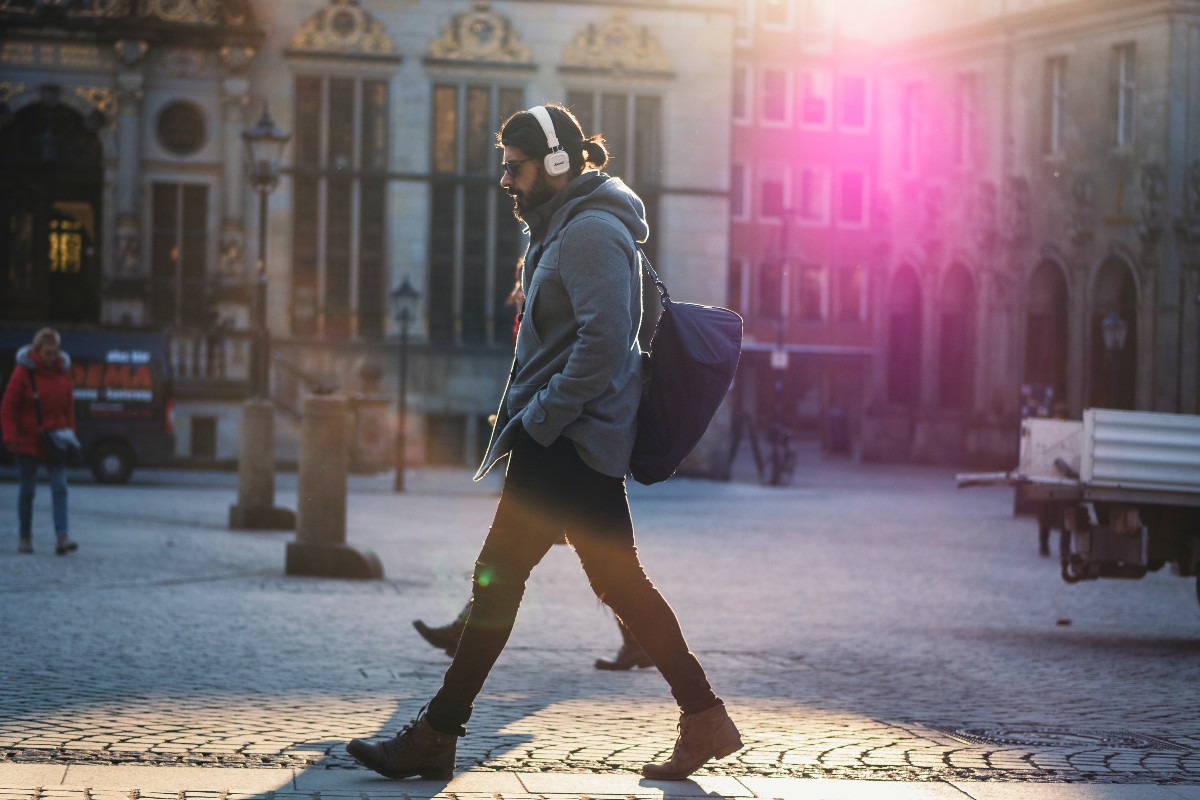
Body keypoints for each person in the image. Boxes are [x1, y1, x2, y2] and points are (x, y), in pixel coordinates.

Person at [347, 104, 740, 780]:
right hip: (574, 440)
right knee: (618, 583)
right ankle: (704, 716)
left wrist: (542, 418)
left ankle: (437, 733)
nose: (505, 178)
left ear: (557, 164)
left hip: (567, 441)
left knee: (498, 577)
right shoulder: (566, 226)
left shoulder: (589, 231)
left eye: (515, 165)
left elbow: (606, 340)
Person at [413, 256, 654, 672]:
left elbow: (577, 362)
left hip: (562, 454)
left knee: (513, 563)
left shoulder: (556, 307)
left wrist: (539, 419)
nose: (524, 289)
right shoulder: (532, 315)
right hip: (555, 450)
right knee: (602, 566)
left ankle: (461, 643)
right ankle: (645, 647)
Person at [2, 327, 79, 555]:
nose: (52, 357)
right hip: (27, 441)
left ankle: (62, 536)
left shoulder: (63, 373)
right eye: (47, 352)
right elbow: (8, 408)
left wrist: (70, 435)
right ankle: (25, 537)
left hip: (55, 440)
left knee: (60, 488)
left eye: (55, 352)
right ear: (37, 351)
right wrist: (11, 437)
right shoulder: (23, 373)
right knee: (27, 491)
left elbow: (69, 408)